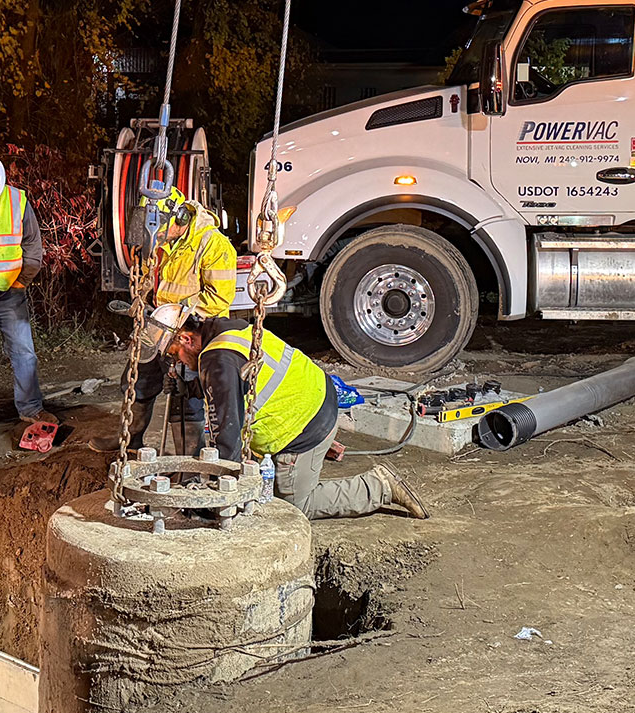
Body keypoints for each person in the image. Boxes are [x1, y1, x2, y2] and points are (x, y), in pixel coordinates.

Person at [151, 306, 430, 520]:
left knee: (294, 506)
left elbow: (227, 435)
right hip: (316, 399)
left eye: (175, 354)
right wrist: (191, 386)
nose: (177, 361)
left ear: (186, 338)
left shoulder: (217, 360)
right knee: (261, 490)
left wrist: (220, 493)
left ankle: (379, 486)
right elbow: (235, 384)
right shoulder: (228, 330)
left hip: (304, 428)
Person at [94, 185, 240, 452]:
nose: (156, 235)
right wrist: (144, 305)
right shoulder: (158, 242)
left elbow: (219, 299)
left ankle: (188, 460)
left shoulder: (213, 244)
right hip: (157, 326)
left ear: (180, 219)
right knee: (136, 380)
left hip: (191, 333)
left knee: (185, 397)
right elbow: (148, 281)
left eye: (160, 229)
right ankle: (129, 439)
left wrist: (176, 316)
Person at [0, 153, 56, 435]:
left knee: (23, 351)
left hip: (11, 290)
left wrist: (21, 282)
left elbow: (33, 247)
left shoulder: (17, 201)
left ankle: (30, 408)